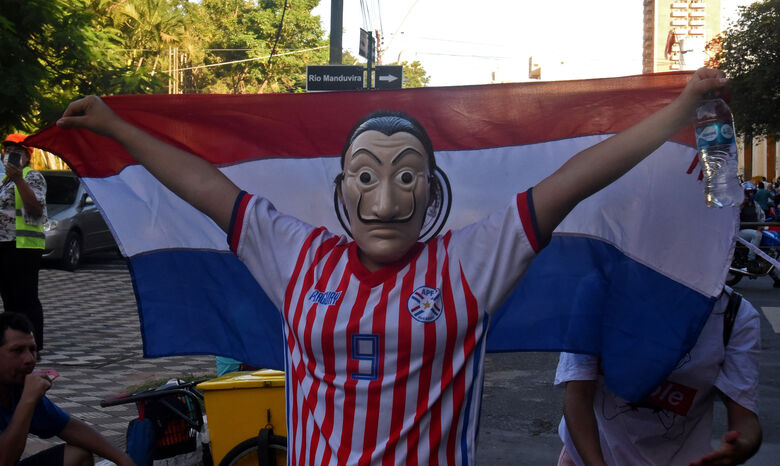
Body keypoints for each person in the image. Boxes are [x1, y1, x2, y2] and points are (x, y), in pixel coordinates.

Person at [56, 68, 728, 465]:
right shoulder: (294, 254)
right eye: (367, 176)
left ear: (432, 194)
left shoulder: (471, 262)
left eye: (406, 178)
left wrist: (676, 109)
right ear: (342, 190)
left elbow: (576, 178)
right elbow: (202, 185)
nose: (385, 199)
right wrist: (117, 128)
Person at [554, 287, 762, 466]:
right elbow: (578, 396)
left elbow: (744, 417)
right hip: (588, 456)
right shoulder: (599, 293)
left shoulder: (734, 316)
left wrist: (741, 446)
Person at [0, 312, 134, 466]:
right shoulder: (26, 395)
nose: (30, 359)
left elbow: (70, 428)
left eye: (32, 349)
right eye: (17, 351)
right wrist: (28, 400)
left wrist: (123, 460)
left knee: (78, 454)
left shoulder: (19, 389)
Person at [0, 134, 47, 352]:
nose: (10, 155)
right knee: (9, 298)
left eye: (17, 152)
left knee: (25, 298)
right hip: (4, 245)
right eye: (7, 150)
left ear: (27, 157)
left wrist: (19, 179)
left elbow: (35, 207)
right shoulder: (3, 181)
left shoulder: (32, 177)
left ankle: (33, 345)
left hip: (23, 246)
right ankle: (15, 344)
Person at [738, 181, 765, 273]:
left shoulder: (755, 204)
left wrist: (760, 225)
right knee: (757, 235)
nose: (751, 194)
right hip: (741, 231)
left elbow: (762, 216)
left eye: (752, 192)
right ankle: (750, 261)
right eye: (749, 192)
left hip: (754, 230)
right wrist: (741, 205)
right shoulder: (740, 204)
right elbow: (733, 217)